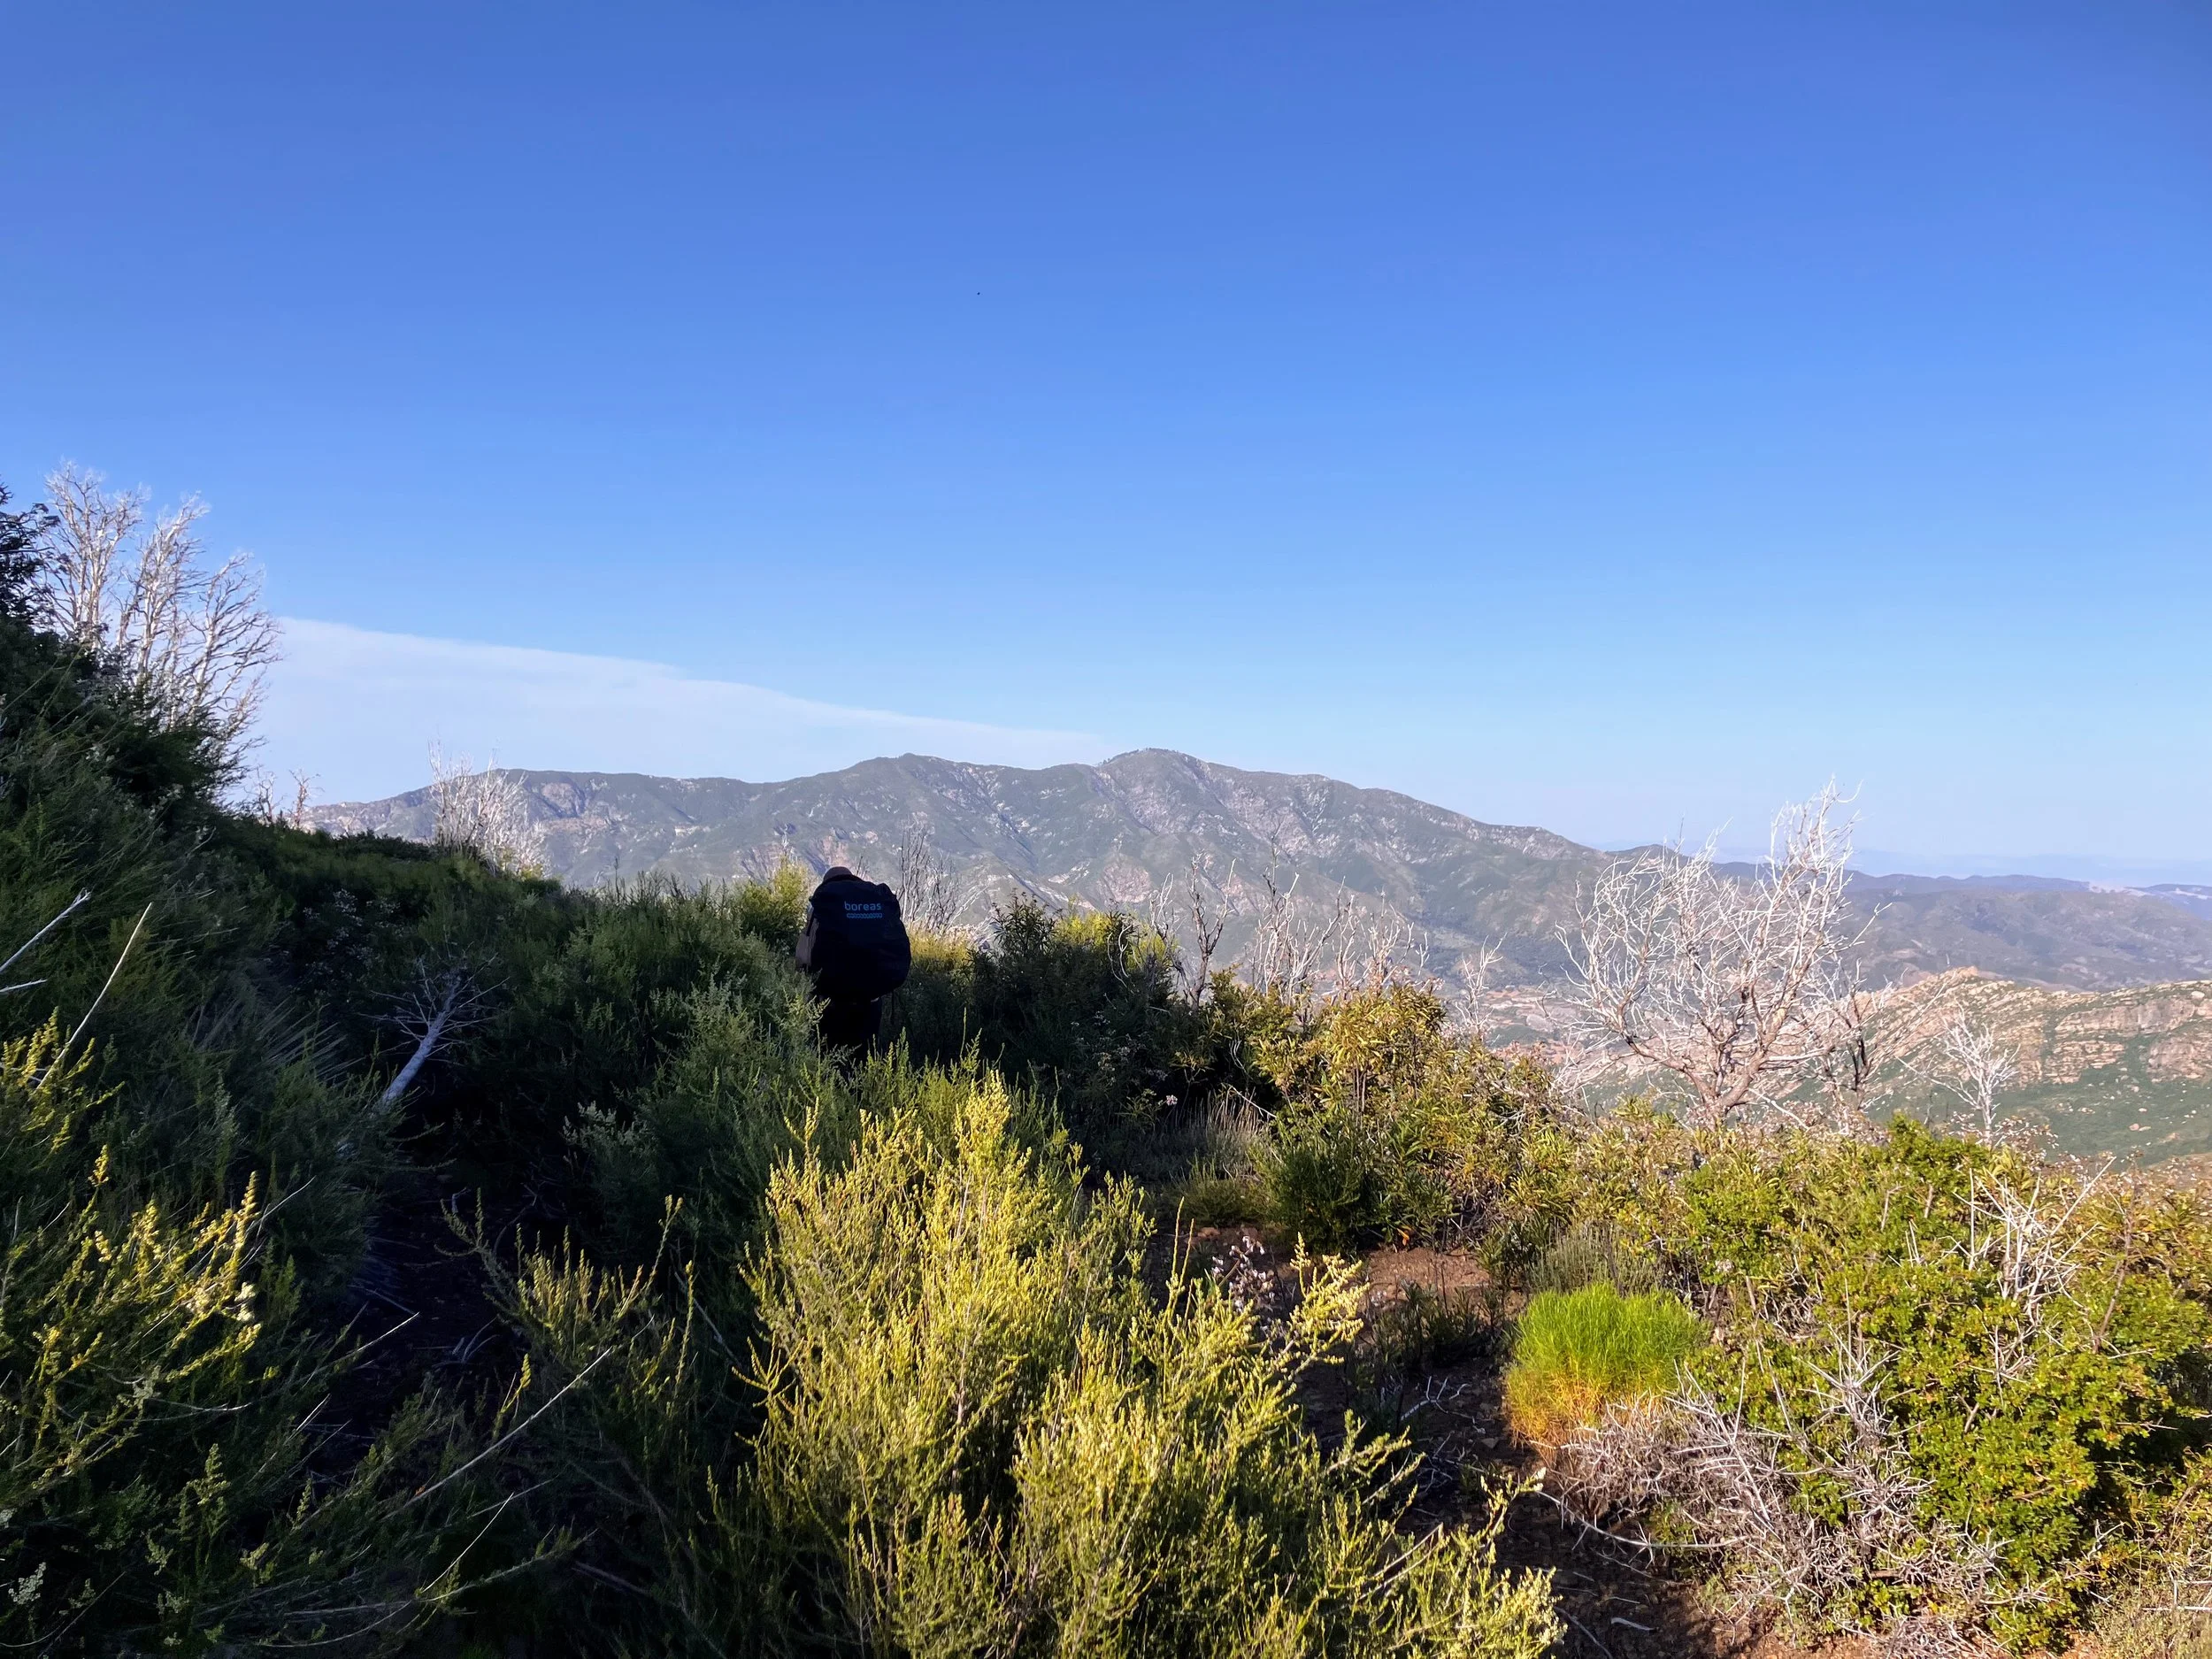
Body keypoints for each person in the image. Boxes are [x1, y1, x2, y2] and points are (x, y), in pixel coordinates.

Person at [795, 864, 910, 1054]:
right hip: (871, 1000)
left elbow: (803, 958)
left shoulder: (824, 904)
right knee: (865, 1058)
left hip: (832, 1000)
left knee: (827, 1058)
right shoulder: (874, 899)